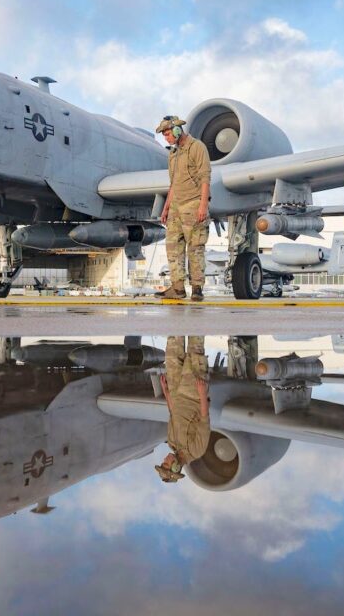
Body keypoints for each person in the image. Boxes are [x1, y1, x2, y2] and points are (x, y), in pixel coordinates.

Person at [154, 115, 211, 302]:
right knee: (173, 249)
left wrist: (203, 205)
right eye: (164, 136)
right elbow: (173, 184)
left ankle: (197, 289)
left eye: (168, 134)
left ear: (178, 130)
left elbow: (205, 178)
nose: (167, 138)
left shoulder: (197, 147)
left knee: (195, 248)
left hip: (193, 204)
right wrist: (166, 207)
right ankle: (177, 288)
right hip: (175, 208)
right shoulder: (173, 154)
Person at [155, 336, 211, 483]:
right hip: (193, 394)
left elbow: (173, 413)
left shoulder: (172, 443)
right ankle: (196, 314)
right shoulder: (196, 450)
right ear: (175, 468)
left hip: (175, 392)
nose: (165, 459)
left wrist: (166, 391)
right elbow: (205, 419)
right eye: (165, 463)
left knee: (172, 353)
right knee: (195, 351)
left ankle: (177, 316)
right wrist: (202, 393)